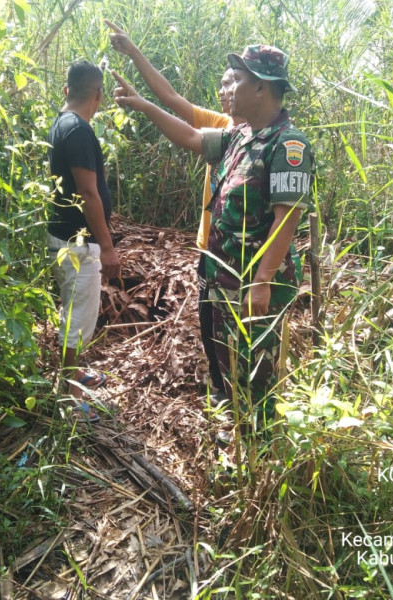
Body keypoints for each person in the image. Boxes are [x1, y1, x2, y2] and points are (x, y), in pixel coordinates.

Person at [112, 45, 315, 433]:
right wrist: (144, 106)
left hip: (254, 285)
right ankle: (238, 444)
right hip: (224, 279)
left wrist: (262, 281)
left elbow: (287, 215)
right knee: (228, 366)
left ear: (262, 88)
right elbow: (189, 135)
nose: (229, 87)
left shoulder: (288, 145)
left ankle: (258, 454)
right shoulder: (239, 136)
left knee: (256, 378)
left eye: (237, 79)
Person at [106, 19, 245, 403]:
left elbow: (179, 126)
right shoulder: (221, 125)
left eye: (232, 81)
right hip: (209, 247)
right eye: (221, 82)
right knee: (209, 324)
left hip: (241, 258)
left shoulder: (257, 138)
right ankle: (222, 392)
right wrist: (133, 52)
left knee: (236, 330)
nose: (224, 90)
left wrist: (142, 101)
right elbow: (171, 98)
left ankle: (237, 398)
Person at [47, 60, 120, 422]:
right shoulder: (78, 129)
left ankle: (73, 375)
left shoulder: (63, 123)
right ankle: (73, 403)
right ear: (98, 95)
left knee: (74, 312)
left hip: (66, 238)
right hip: (78, 243)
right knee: (78, 319)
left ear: (66, 91)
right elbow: (88, 193)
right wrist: (106, 247)